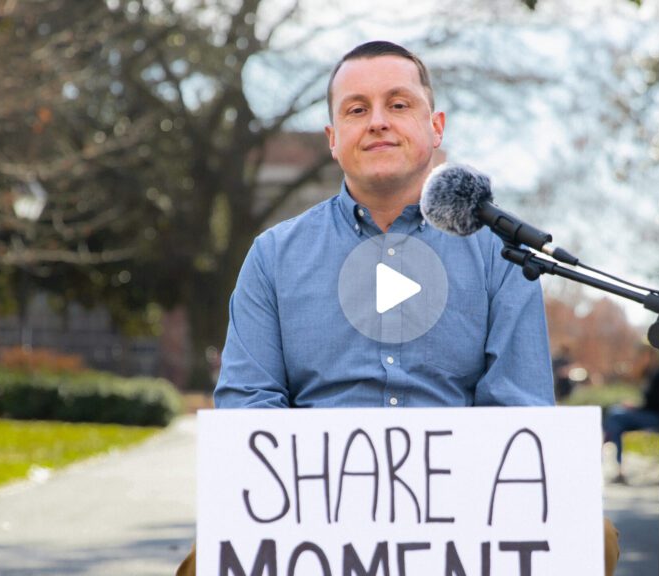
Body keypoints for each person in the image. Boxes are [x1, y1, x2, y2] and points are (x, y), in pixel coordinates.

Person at [178, 40, 618, 575]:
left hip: (463, 516)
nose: (378, 122)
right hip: (316, 518)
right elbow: (249, 405)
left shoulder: (502, 255)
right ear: (333, 139)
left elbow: (518, 409)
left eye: (399, 104)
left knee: (595, 538)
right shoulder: (273, 256)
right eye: (357, 109)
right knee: (202, 564)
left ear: (436, 127)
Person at [603, 365, 659, 484]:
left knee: (615, 417)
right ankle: (618, 465)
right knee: (615, 414)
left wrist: (636, 408)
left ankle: (609, 445)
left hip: (656, 418)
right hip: (650, 414)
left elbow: (654, 403)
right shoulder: (655, 373)